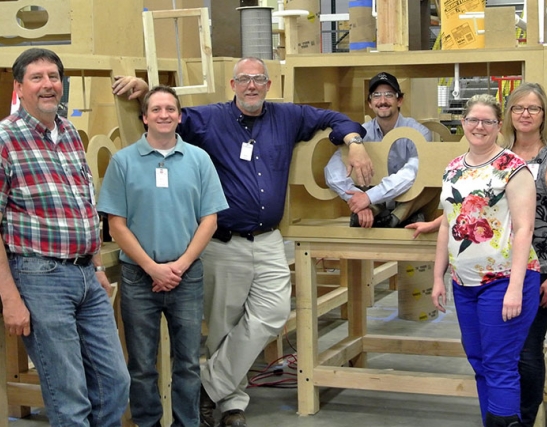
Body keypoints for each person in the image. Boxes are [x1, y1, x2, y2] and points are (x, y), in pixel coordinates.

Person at [112, 56, 374, 427]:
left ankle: (207, 387)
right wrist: (142, 95)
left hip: (269, 240)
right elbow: (166, 116)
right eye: (244, 79)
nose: (251, 85)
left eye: (258, 79)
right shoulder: (209, 118)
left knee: (274, 313)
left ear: (268, 85)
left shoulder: (288, 117)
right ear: (232, 85)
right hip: (223, 242)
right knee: (222, 326)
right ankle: (231, 404)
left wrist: (354, 140)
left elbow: (334, 119)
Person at [0, 48, 130, 426]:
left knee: (114, 383)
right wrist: (9, 297)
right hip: (39, 279)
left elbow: (81, 204)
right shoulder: (5, 139)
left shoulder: (69, 132)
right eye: (37, 77)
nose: (47, 85)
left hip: (86, 277)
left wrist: (95, 265)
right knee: (69, 395)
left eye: (53, 77)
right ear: (19, 87)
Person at [97, 85, 228, 427]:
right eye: (156, 109)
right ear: (144, 118)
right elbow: (116, 225)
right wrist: (152, 268)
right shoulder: (123, 162)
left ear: (180, 116)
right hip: (139, 276)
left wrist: (179, 267)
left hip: (187, 275)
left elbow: (209, 220)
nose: (164, 115)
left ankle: (188, 423)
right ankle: (147, 423)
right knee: (141, 363)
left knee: (186, 361)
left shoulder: (199, 160)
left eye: (170, 109)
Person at [432, 94, 540, 427]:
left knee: (500, 363)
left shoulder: (513, 168)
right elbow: (448, 223)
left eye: (488, 121)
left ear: (498, 126)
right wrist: (438, 276)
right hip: (464, 284)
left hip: (504, 281)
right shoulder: (453, 168)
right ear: (463, 123)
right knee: (479, 361)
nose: (479, 127)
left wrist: (516, 289)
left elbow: (524, 230)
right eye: (473, 120)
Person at [502, 83, 547, 427]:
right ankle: (502, 414)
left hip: (538, 272)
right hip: (499, 271)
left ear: (543, 115)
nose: (525, 114)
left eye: (533, 108)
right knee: (502, 352)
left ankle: (524, 420)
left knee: (527, 352)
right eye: (518, 108)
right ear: (509, 114)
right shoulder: (499, 156)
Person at [324, 71, 438, 229]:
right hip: (376, 203)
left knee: (432, 176)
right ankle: (387, 217)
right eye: (376, 95)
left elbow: (414, 172)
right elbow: (332, 169)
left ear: (399, 100)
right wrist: (357, 199)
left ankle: (396, 219)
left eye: (389, 95)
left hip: (410, 202)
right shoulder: (360, 134)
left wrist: (369, 197)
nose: (382, 101)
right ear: (370, 103)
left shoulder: (419, 132)